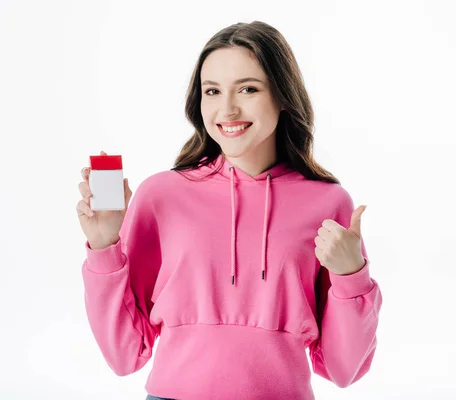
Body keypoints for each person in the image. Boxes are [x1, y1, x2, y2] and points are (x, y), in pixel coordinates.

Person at [76, 20, 382, 400]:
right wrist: (104, 248)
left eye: (248, 89)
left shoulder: (328, 202)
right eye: (212, 91)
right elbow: (124, 355)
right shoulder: (162, 195)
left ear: (283, 96)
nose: (228, 108)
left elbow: (343, 368)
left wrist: (353, 276)